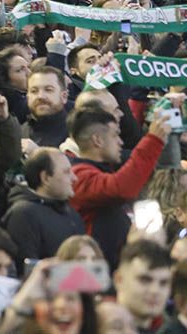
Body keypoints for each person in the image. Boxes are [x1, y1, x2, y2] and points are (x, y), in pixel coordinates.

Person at [69, 106, 170, 267]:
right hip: (93, 275)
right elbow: (121, 188)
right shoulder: (78, 176)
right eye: (115, 135)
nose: (120, 142)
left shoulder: (98, 172)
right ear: (98, 140)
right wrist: (153, 140)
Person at [2, 147, 86, 261]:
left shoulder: (72, 214)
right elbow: (26, 268)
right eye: (66, 172)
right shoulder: (23, 214)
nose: (74, 178)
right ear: (45, 177)